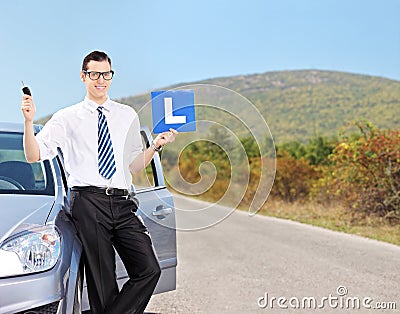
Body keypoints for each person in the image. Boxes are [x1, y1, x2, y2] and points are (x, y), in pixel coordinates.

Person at [21, 50, 178, 313]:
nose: (100, 80)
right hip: (88, 202)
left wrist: (155, 147)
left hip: (122, 201)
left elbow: (133, 165)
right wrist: (28, 122)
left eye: (106, 74)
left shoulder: (126, 115)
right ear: (83, 77)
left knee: (149, 269)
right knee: (103, 284)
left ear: (111, 76)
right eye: (94, 74)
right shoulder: (66, 117)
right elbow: (33, 155)